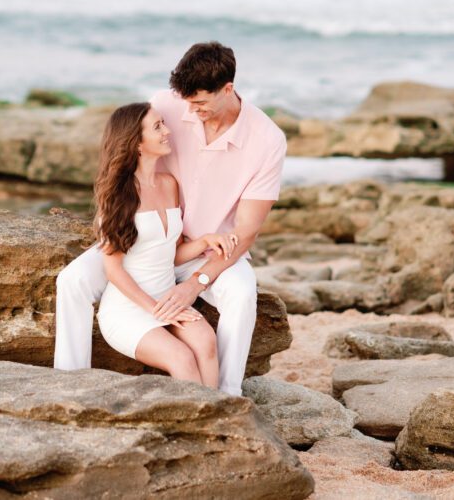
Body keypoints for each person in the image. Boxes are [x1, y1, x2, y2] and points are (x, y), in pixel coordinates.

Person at [54, 41, 288, 396]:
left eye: (200, 103)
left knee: (241, 295)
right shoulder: (165, 106)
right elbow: (124, 149)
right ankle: (68, 383)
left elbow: (247, 231)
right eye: (186, 103)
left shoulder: (267, 140)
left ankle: (227, 394)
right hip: (147, 242)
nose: (191, 112)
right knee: (72, 280)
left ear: (228, 90)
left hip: (210, 250)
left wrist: (196, 282)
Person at [93, 102, 238, 386]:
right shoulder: (117, 197)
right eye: (158, 127)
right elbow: (114, 271)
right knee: (181, 357)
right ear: (136, 143)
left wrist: (205, 241)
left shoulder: (169, 184)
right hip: (128, 308)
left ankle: (219, 419)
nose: (167, 131)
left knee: (207, 341)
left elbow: (169, 255)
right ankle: (199, 426)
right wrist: (153, 308)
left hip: (165, 297)